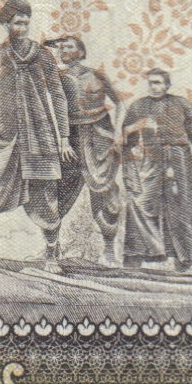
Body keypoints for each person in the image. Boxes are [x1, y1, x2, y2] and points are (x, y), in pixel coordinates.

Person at [0, 0, 72, 265]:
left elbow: (57, 95)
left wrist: (64, 137)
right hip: (4, 137)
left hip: (39, 138)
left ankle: (52, 253)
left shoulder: (43, 55)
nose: (22, 27)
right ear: (6, 24)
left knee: (45, 197)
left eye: (25, 22)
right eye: (17, 23)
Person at [117, 68, 192, 271]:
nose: (154, 87)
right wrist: (135, 127)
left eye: (158, 83)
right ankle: (137, 255)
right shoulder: (138, 105)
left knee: (180, 207)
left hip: (179, 159)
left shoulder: (181, 103)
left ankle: (185, 260)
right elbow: (124, 137)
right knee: (139, 202)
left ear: (167, 85)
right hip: (150, 158)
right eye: (151, 83)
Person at [49, 35, 124, 262]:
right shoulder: (56, 77)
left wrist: (118, 133)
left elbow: (120, 103)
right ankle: (52, 247)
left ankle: (109, 250)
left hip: (99, 135)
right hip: (69, 138)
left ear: (81, 52)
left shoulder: (97, 75)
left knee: (105, 191)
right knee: (58, 189)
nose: (63, 50)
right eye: (61, 47)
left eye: (69, 46)